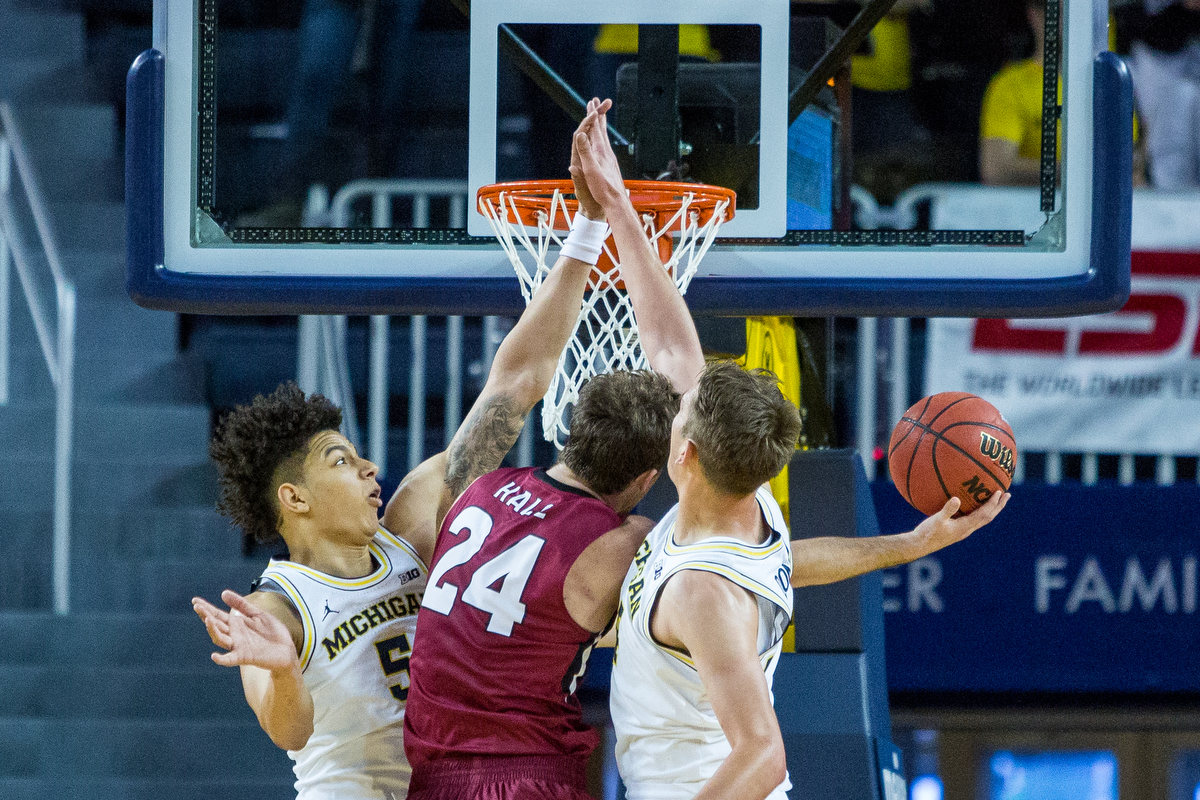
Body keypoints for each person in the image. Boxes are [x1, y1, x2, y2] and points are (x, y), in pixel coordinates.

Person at [570, 99, 1010, 799]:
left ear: (684, 459)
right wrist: (909, 544)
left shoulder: (706, 594)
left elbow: (763, 756)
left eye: (678, 419)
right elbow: (672, 346)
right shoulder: (755, 516)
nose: (671, 412)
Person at [191, 100, 620, 800]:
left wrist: (588, 231)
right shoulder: (278, 605)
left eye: (357, 455)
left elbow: (512, 387)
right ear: (291, 499)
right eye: (339, 461)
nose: (367, 468)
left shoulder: (410, 532)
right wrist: (279, 670)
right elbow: (288, 731)